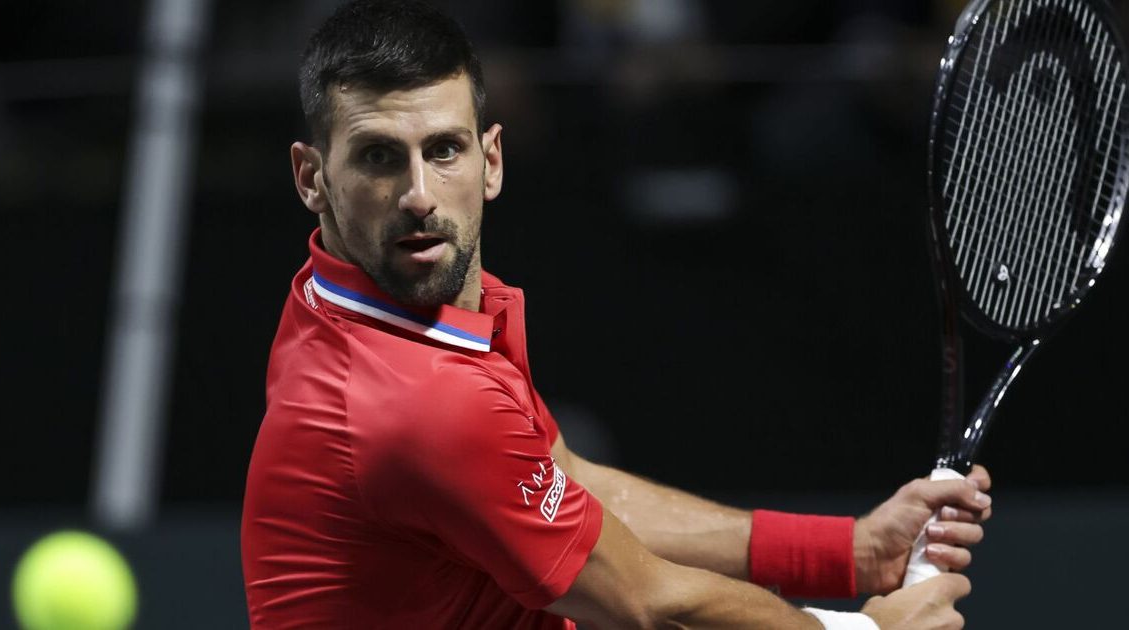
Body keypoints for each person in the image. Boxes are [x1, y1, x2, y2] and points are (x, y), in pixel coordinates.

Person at [240, 1, 993, 628]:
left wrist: (847, 551)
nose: (418, 195)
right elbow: (645, 604)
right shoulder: (417, 401)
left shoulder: (345, 303)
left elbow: (566, 481)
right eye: (377, 157)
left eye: (443, 150)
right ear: (311, 177)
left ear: (491, 160)